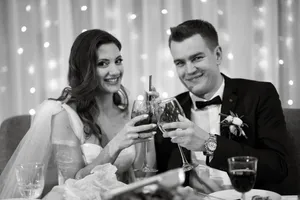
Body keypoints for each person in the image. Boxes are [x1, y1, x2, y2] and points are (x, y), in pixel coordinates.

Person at [0, 29, 157, 198]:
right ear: (85, 69)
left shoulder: (128, 111)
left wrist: (150, 123)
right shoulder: (63, 116)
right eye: (103, 63)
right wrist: (116, 144)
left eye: (118, 61)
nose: (115, 71)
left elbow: (142, 175)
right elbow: (73, 183)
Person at [154, 19, 288, 193]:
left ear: (217, 55)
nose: (189, 70)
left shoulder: (258, 94)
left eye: (197, 58)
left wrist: (209, 144)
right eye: (180, 63)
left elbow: (278, 167)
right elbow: (162, 174)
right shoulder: (171, 109)